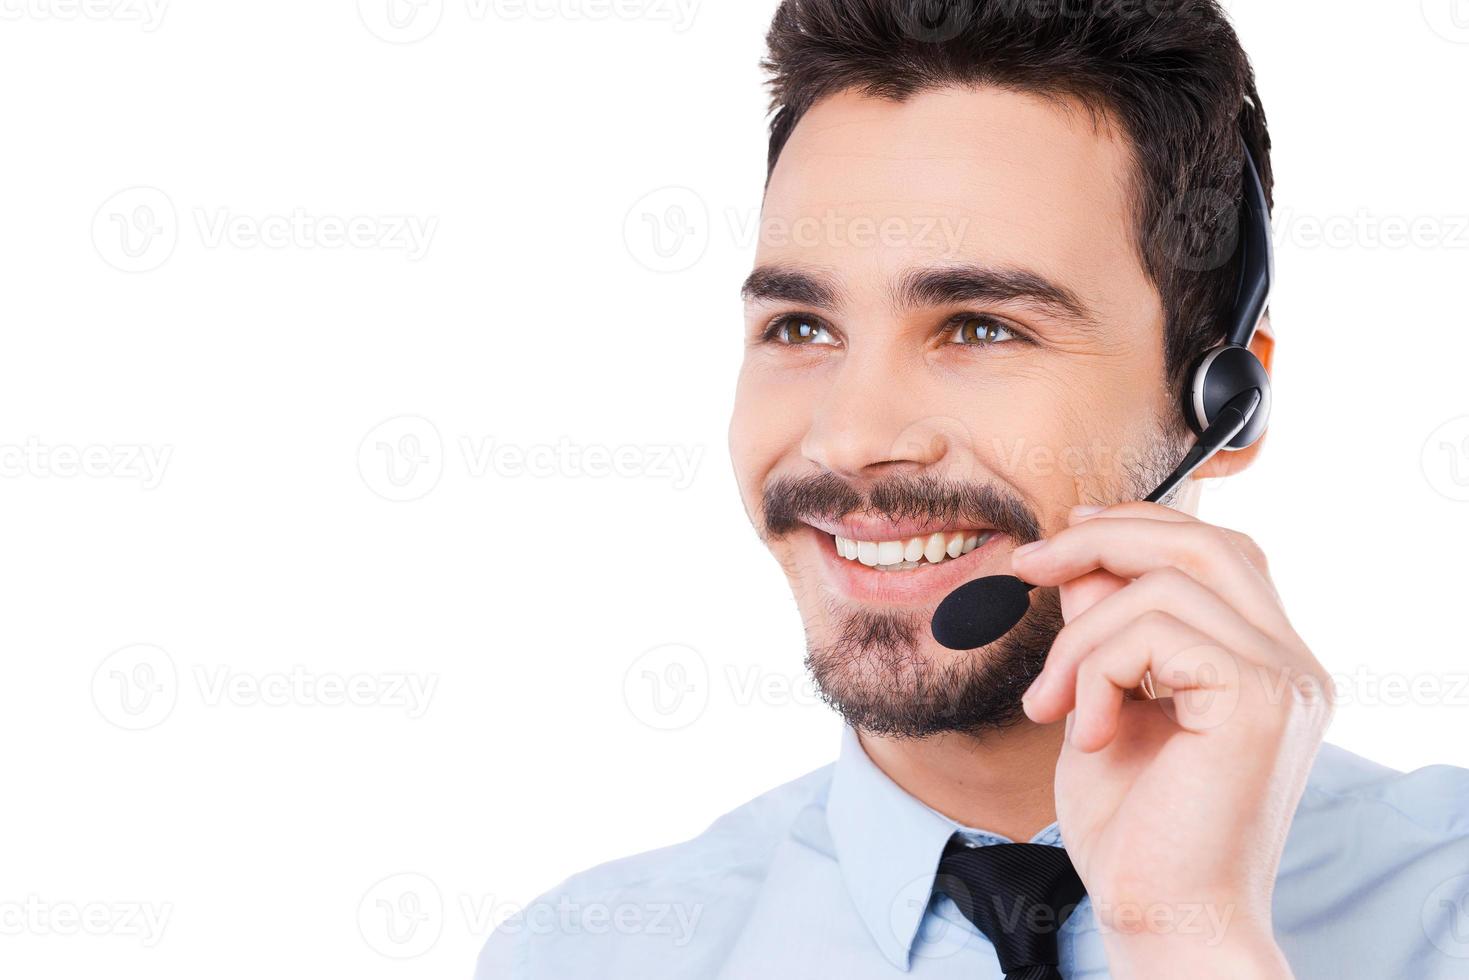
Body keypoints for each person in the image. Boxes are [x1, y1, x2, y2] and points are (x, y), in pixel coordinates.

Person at [476, 2, 1469, 976]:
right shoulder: (580, 953)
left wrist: (1192, 938)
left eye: (979, 325)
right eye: (801, 327)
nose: (851, 436)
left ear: (1220, 408)